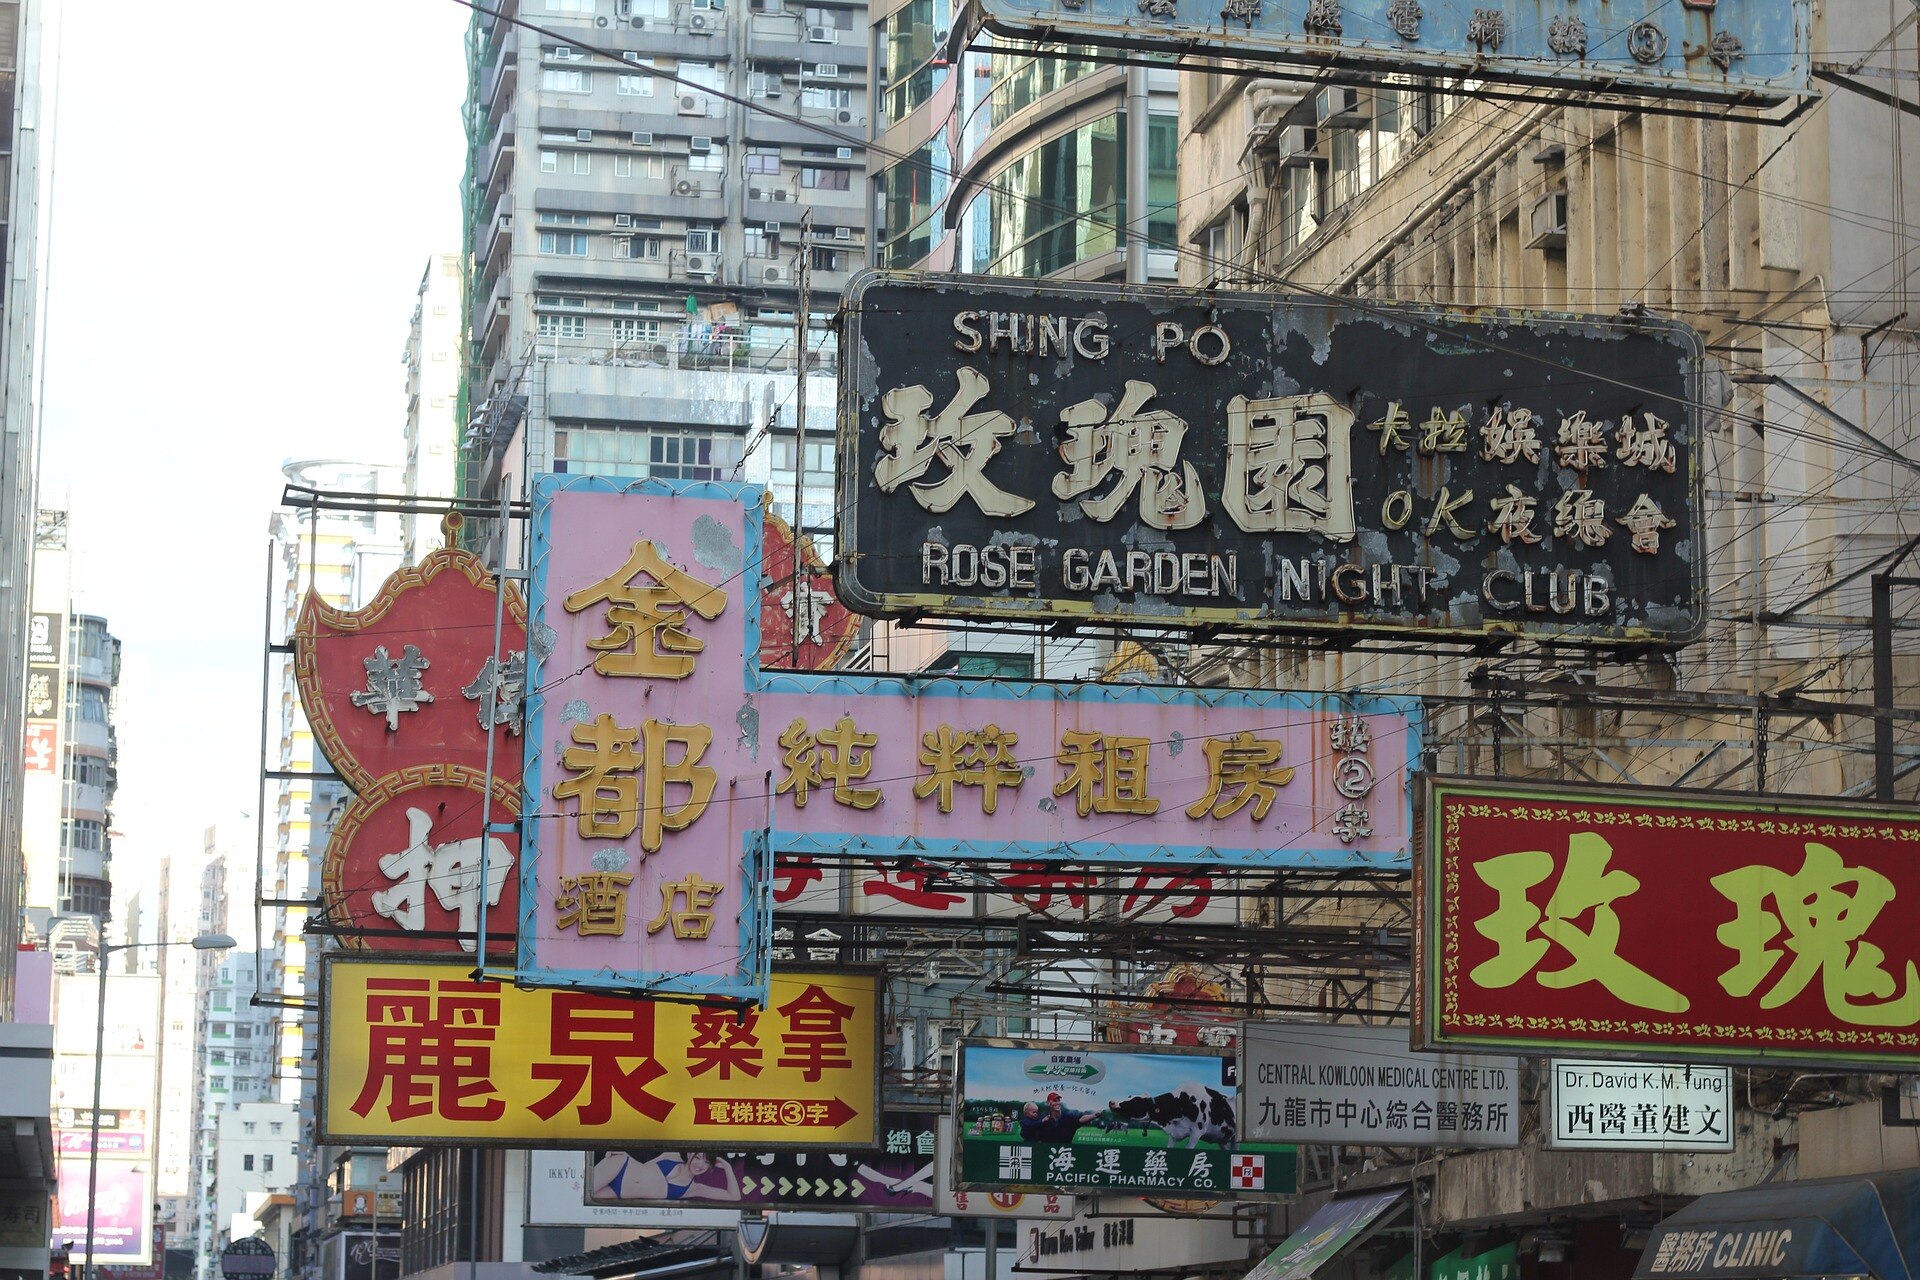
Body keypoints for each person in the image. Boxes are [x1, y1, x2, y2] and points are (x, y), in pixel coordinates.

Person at [591, 1150, 743, 1202]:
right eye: (698, 1157)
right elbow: (645, 1168)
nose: (700, 1165)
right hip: (620, 1166)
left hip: (618, 1193)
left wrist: (727, 1167)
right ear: (690, 1154)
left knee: (579, 1200)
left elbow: (734, 1196)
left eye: (707, 1162)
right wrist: (627, 1157)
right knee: (576, 1196)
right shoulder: (673, 1156)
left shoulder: (694, 1189)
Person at [1024, 1091, 1095, 1142]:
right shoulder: (1042, 1118)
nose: (1057, 1103)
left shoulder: (1068, 1117)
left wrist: (1094, 1115)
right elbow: (1030, 1133)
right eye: (1054, 1100)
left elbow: (1080, 1119)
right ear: (1048, 1103)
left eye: (1058, 1100)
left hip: (1066, 1152)